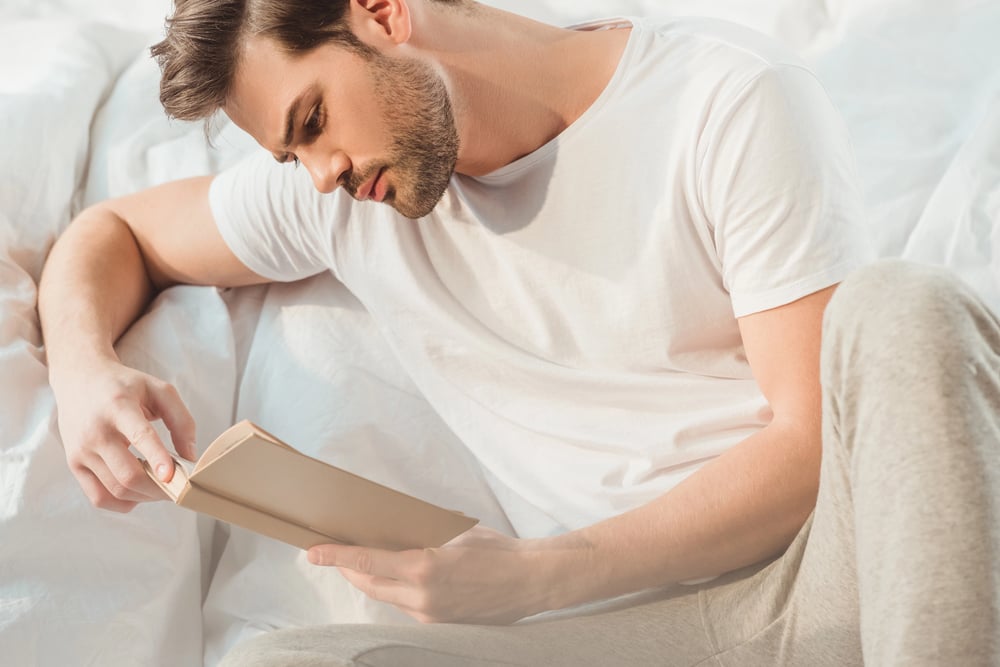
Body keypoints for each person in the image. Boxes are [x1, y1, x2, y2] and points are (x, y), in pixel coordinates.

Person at [37, 0, 999, 665]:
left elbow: (810, 446)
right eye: (293, 152)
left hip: (834, 576)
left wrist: (536, 574)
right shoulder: (340, 200)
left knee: (904, 307)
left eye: (314, 120)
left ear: (382, 11)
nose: (319, 171)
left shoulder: (724, 100)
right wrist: (85, 370)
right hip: (621, 637)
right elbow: (115, 233)